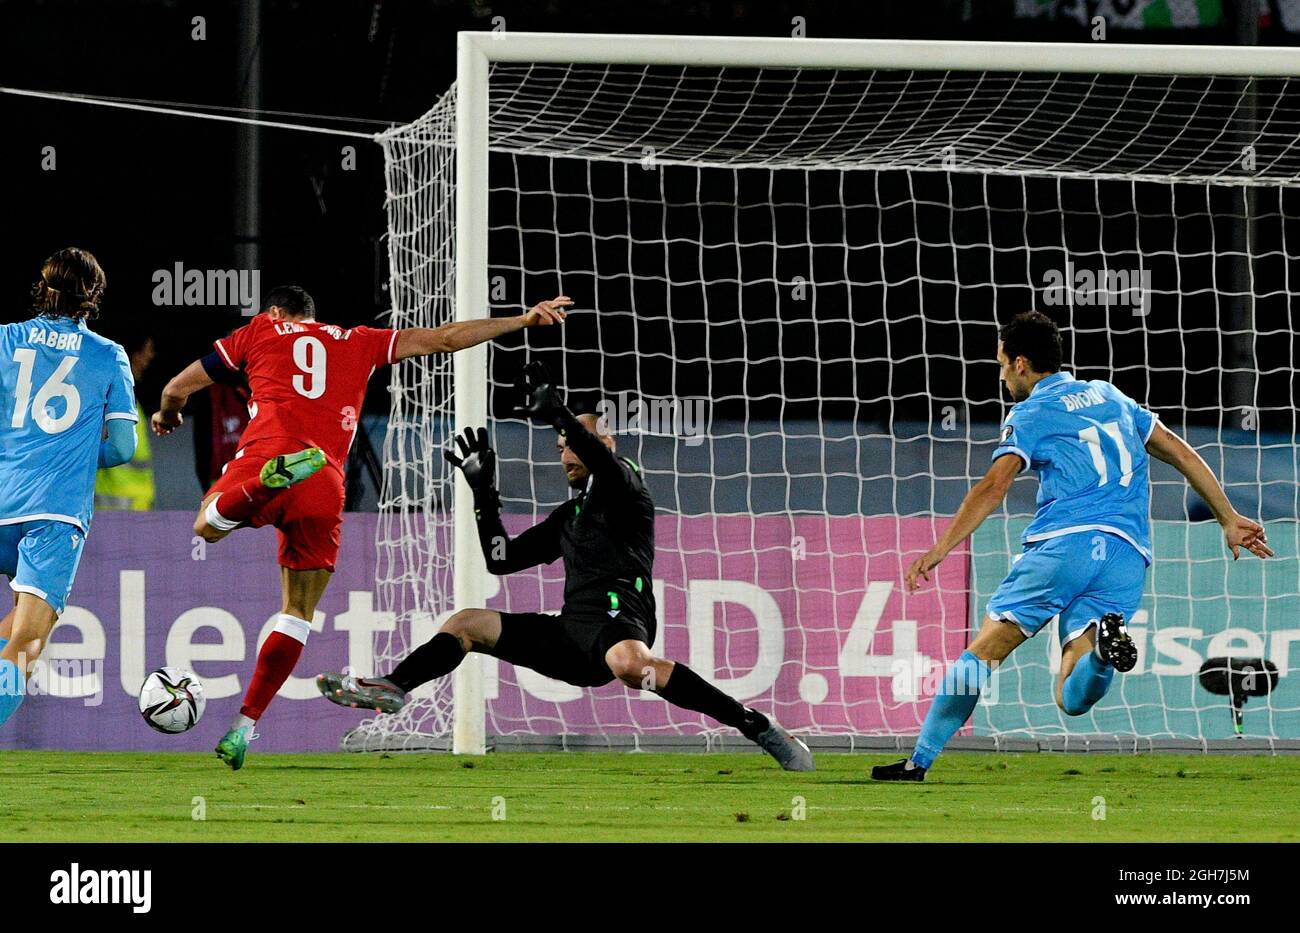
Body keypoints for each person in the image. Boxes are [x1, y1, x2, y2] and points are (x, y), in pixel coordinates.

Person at [317, 362, 814, 771]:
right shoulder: (567, 517)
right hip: (571, 634)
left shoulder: (626, 487)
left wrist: (558, 413)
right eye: (559, 448)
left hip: (622, 618)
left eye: (572, 445)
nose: (565, 455)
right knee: (466, 624)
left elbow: (601, 461)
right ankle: (394, 688)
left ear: (605, 445)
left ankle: (754, 725)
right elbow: (501, 559)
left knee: (628, 664)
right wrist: (482, 493)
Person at [151, 287, 570, 769]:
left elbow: (176, 388)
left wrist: (168, 414)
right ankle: (243, 728)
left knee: (207, 526)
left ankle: (259, 489)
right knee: (295, 613)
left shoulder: (260, 330)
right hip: (326, 480)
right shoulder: (357, 341)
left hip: (269, 452)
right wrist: (521, 319)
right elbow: (444, 339)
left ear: (274, 312)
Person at [872, 310, 1273, 781]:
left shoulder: (1031, 412)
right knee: (1071, 694)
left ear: (1021, 364)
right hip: (1126, 556)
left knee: (983, 653)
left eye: (1002, 366)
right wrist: (1227, 518)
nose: (1002, 377)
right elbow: (1181, 452)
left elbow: (994, 486)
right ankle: (1104, 653)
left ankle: (918, 762)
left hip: (1064, 546)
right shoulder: (1111, 395)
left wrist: (940, 547)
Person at [0, 248, 138, 727]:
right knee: (26, 646)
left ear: (42, 287)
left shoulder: (3, 341)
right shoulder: (108, 355)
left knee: (11, 632)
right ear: (93, 298)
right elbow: (122, 447)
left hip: (2, 499)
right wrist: (75, 460)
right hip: (54, 513)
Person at [94, 328, 156, 510]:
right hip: (111, 515)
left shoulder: (131, 402)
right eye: (147, 351)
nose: (149, 358)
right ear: (133, 355)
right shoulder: (107, 400)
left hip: (137, 512)